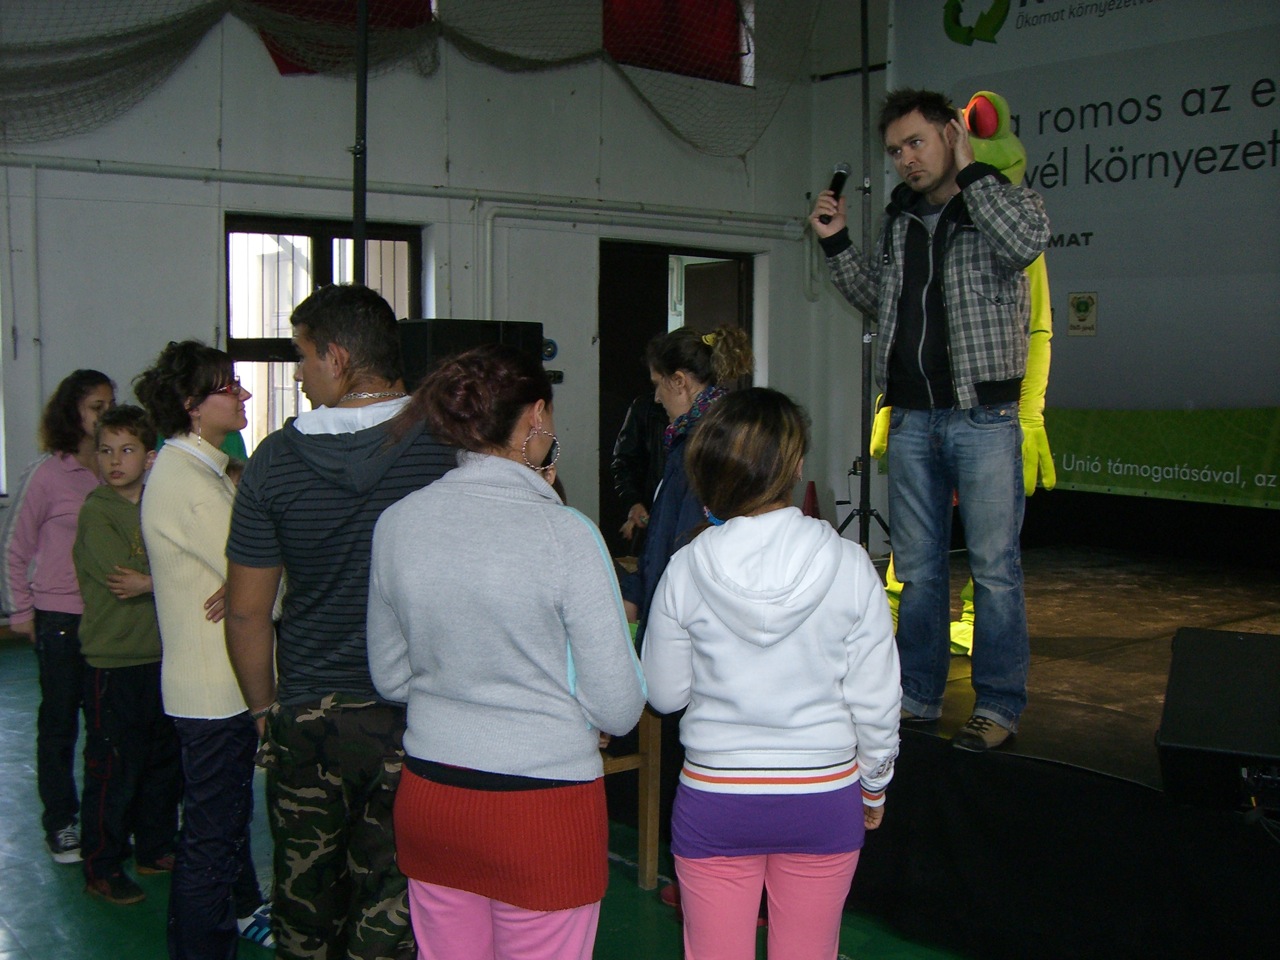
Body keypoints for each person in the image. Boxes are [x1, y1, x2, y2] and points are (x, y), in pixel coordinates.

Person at [366, 342, 647, 960]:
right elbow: (619, 707)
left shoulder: (398, 523)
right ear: (536, 415)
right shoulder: (567, 534)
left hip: (434, 798)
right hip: (542, 809)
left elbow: (390, 675)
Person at [810, 88, 1051, 752]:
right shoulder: (900, 220)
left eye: (916, 142)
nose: (905, 160)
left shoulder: (1002, 202)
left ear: (952, 134)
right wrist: (836, 244)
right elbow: (880, 300)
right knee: (917, 570)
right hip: (913, 417)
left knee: (994, 570)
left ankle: (998, 705)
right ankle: (917, 693)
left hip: (983, 415)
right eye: (895, 151)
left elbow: (1025, 244)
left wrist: (972, 172)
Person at [224, 283, 454, 960]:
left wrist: (263, 710)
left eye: (302, 355)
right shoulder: (447, 448)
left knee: (304, 902)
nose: (298, 374)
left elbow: (246, 610)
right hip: (419, 714)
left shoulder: (273, 460)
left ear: (337, 357)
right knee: (395, 902)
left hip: (309, 712)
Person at [642, 388, 900, 960]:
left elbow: (663, 694)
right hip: (824, 798)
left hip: (716, 798)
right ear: (795, 464)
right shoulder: (851, 564)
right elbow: (877, 699)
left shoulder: (686, 567)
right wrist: (875, 784)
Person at [135, 341, 268, 958]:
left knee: (222, 828)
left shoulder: (204, 472)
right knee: (211, 840)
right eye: (227, 387)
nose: (242, 394)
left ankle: (240, 912)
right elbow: (264, 581)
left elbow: (249, 576)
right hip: (213, 692)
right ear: (192, 404)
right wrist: (255, 584)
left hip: (219, 683)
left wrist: (247, 583)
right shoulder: (189, 482)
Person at [2, 368, 115, 864]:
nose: (105, 415)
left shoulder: (116, 467)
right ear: (73, 412)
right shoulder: (48, 474)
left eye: (110, 405)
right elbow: (14, 546)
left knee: (106, 726)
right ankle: (61, 822)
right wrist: (20, 612)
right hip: (59, 618)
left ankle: (102, 820)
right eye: (96, 407)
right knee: (59, 723)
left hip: (109, 617)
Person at [73, 404, 181, 906]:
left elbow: (159, 574)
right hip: (114, 664)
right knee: (114, 766)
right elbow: (124, 580)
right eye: (106, 451)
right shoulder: (97, 512)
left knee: (162, 761)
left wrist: (154, 581)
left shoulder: (158, 505)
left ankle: (154, 847)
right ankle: (101, 864)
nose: (115, 461)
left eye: (127, 450)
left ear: (150, 457)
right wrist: (167, 581)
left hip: (162, 658)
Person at [620, 325, 754, 642]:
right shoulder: (723, 433)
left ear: (679, 381)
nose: (656, 398)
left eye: (658, 384)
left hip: (684, 625)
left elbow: (681, 546)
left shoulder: (697, 450)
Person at [610, 392, 667, 553]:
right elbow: (623, 462)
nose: (657, 396)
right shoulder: (646, 408)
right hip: (652, 520)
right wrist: (633, 502)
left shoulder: (715, 411)